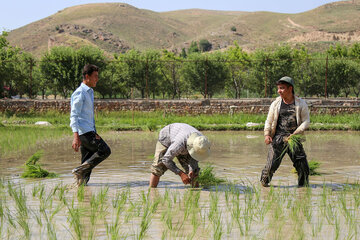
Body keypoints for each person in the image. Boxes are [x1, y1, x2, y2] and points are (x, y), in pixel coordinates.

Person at [260, 76, 310, 187]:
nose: (279, 91)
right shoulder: (276, 104)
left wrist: (296, 133)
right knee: (271, 166)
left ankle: (303, 189)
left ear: (290, 88)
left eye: (282, 88)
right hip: (278, 138)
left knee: (303, 167)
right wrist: (267, 135)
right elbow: (269, 120)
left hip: (294, 139)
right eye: (278, 88)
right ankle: (263, 185)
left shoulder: (301, 104)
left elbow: (306, 121)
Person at [70, 64, 111, 186]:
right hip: (83, 132)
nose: (97, 79)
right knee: (104, 150)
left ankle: (81, 191)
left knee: (86, 168)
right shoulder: (80, 93)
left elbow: (88, 117)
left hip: (89, 131)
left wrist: (95, 132)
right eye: (95, 76)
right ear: (87, 77)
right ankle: (79, 170)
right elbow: (74, 116)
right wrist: (76, 136)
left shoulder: (90, 92)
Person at [149, 123, 211, 188]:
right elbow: (166, 159)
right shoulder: (179, 144)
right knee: (158, 167)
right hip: (167, 138)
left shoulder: (202, 142)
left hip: (184, 140)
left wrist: (191, 169)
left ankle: (196, 193)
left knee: (194, 172)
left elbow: (194, 157)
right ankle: (152, 192)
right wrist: (181, 174)